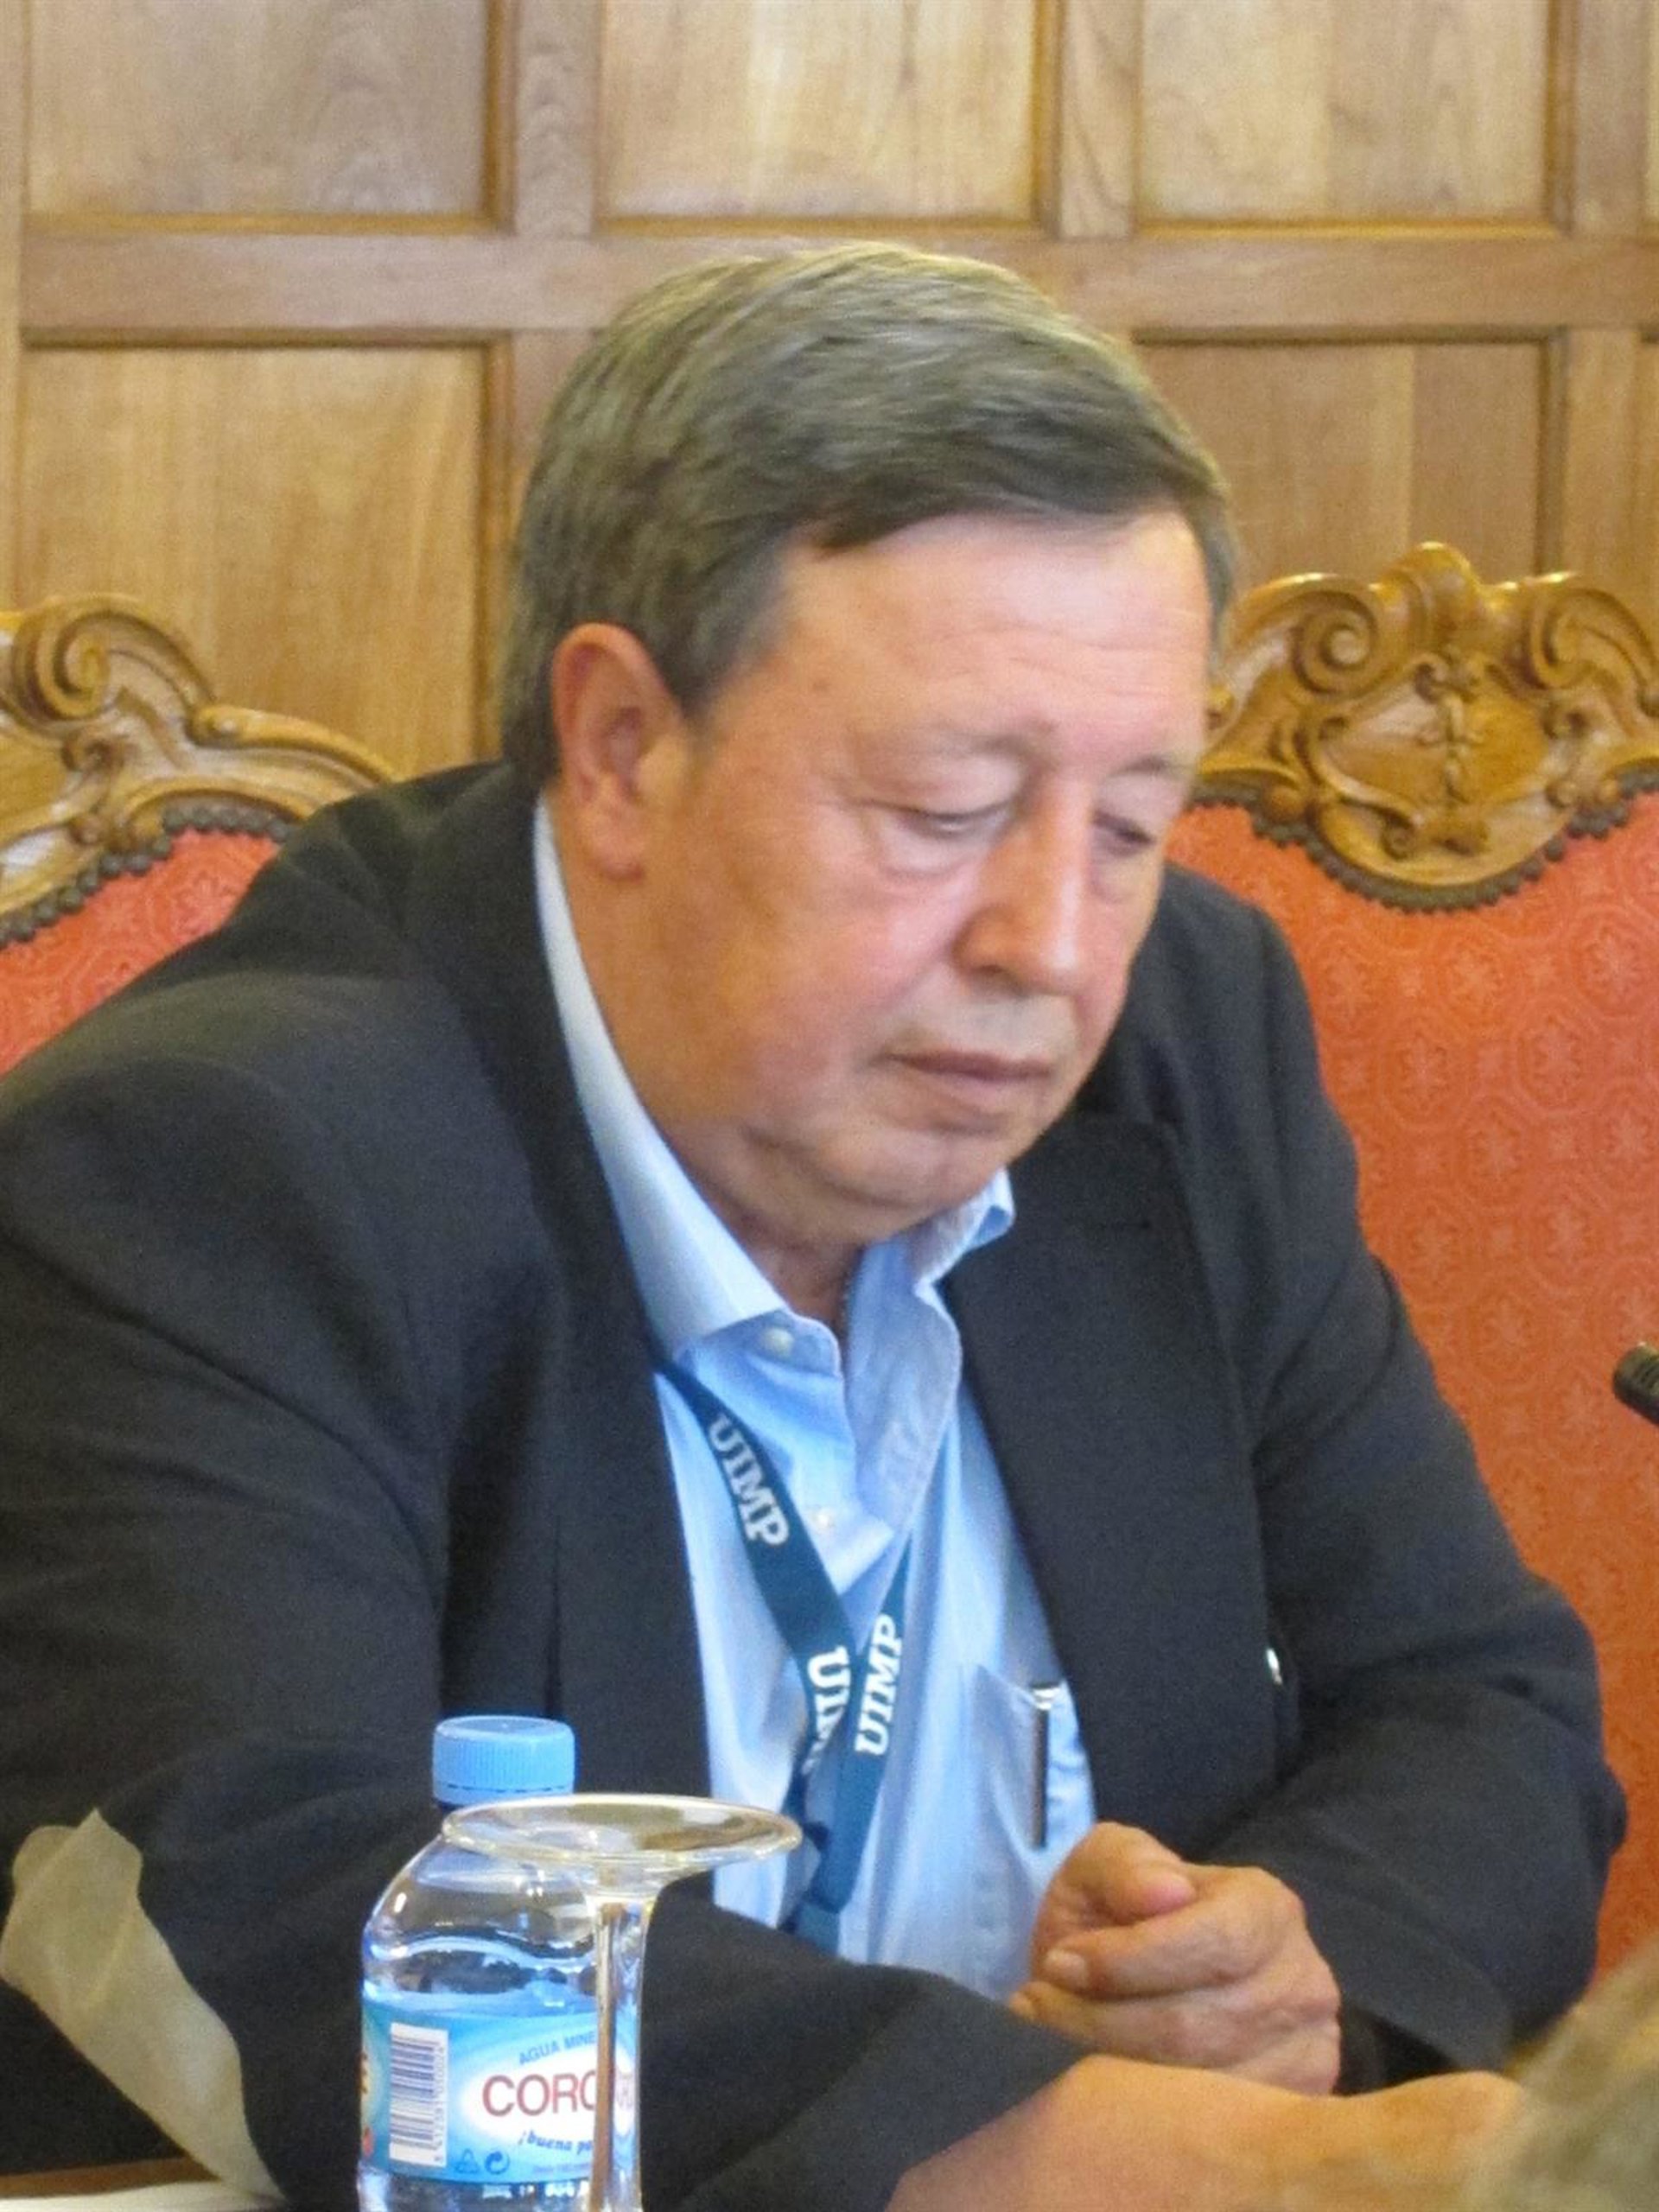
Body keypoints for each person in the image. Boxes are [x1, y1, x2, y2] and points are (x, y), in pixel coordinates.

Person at [0, 244, 1623, 2210]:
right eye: (945, 808)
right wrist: (1213, 2167)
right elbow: (285, 1905)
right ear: (622, 747)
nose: (1053, 945)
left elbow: (1480, 1701)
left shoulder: (1182, 1037)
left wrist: (1285, 1982)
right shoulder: (224, 1165)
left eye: (1131, 824)